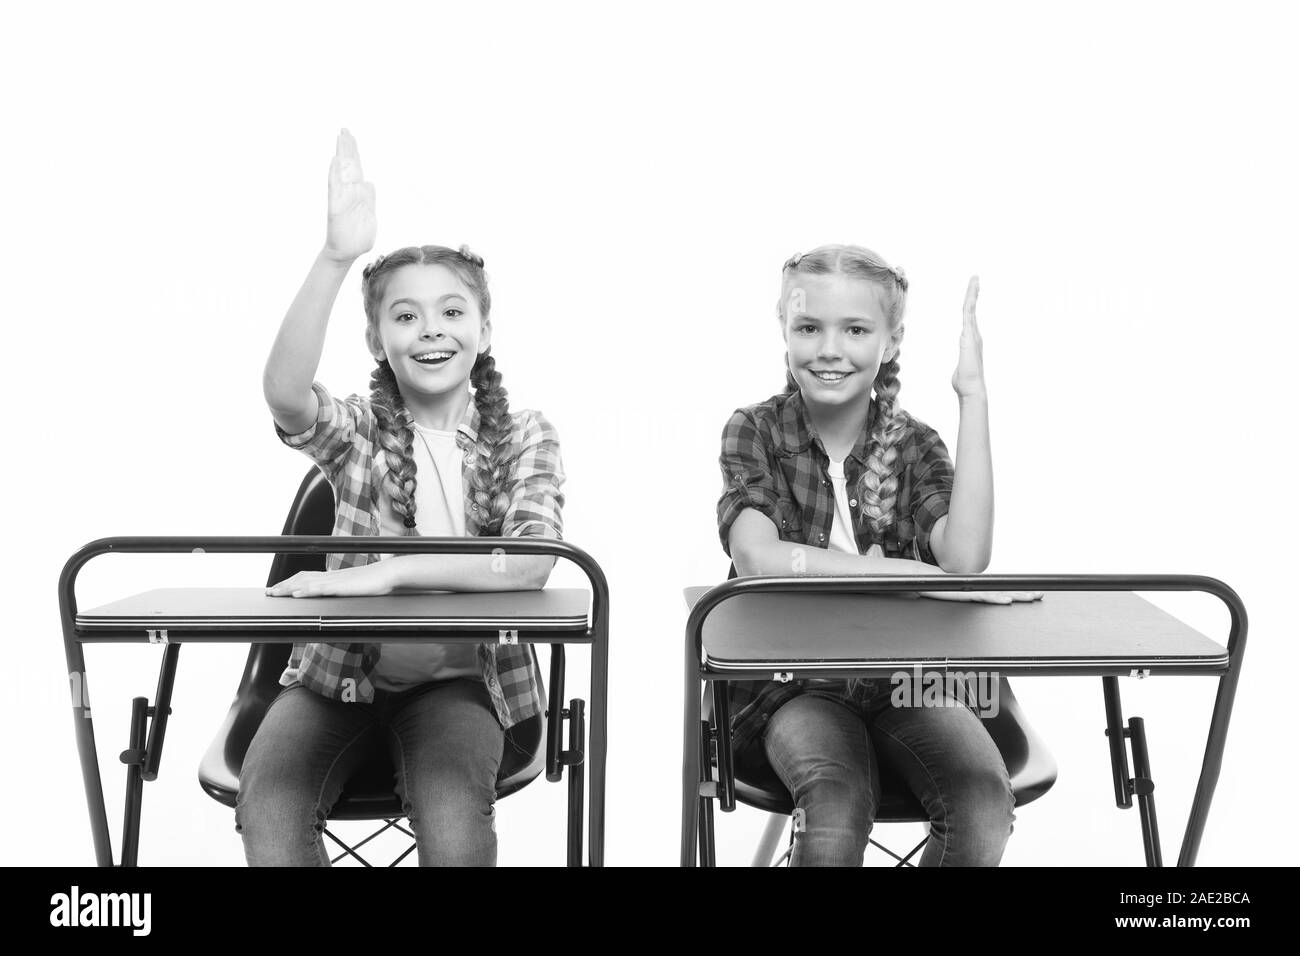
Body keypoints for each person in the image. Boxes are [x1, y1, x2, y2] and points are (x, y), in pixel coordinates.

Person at [236, 130, 565, 866]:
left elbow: (532, 563)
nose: (431, 332)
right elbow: (287, 396)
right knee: (271, 803)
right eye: (406, 317)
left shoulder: (525, 436)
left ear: (484, 327)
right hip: (331, 685)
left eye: (451, 312)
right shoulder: (357, 433)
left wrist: (386, 571)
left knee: (451, 819)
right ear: (378, 337)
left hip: (460, 688)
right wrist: (334, 259)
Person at [716, 244, 1041, 866]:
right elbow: (759, 559)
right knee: (836, 803)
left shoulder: (914, 444)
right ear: (784, 329)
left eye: (856, 330)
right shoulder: (753, 430)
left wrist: (973, 398)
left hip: (909, 683)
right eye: (808, 327)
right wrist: (919, 578)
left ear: (890, 342)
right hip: (793, 687)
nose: (829, 349)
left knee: (979, 800)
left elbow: (966, 560)